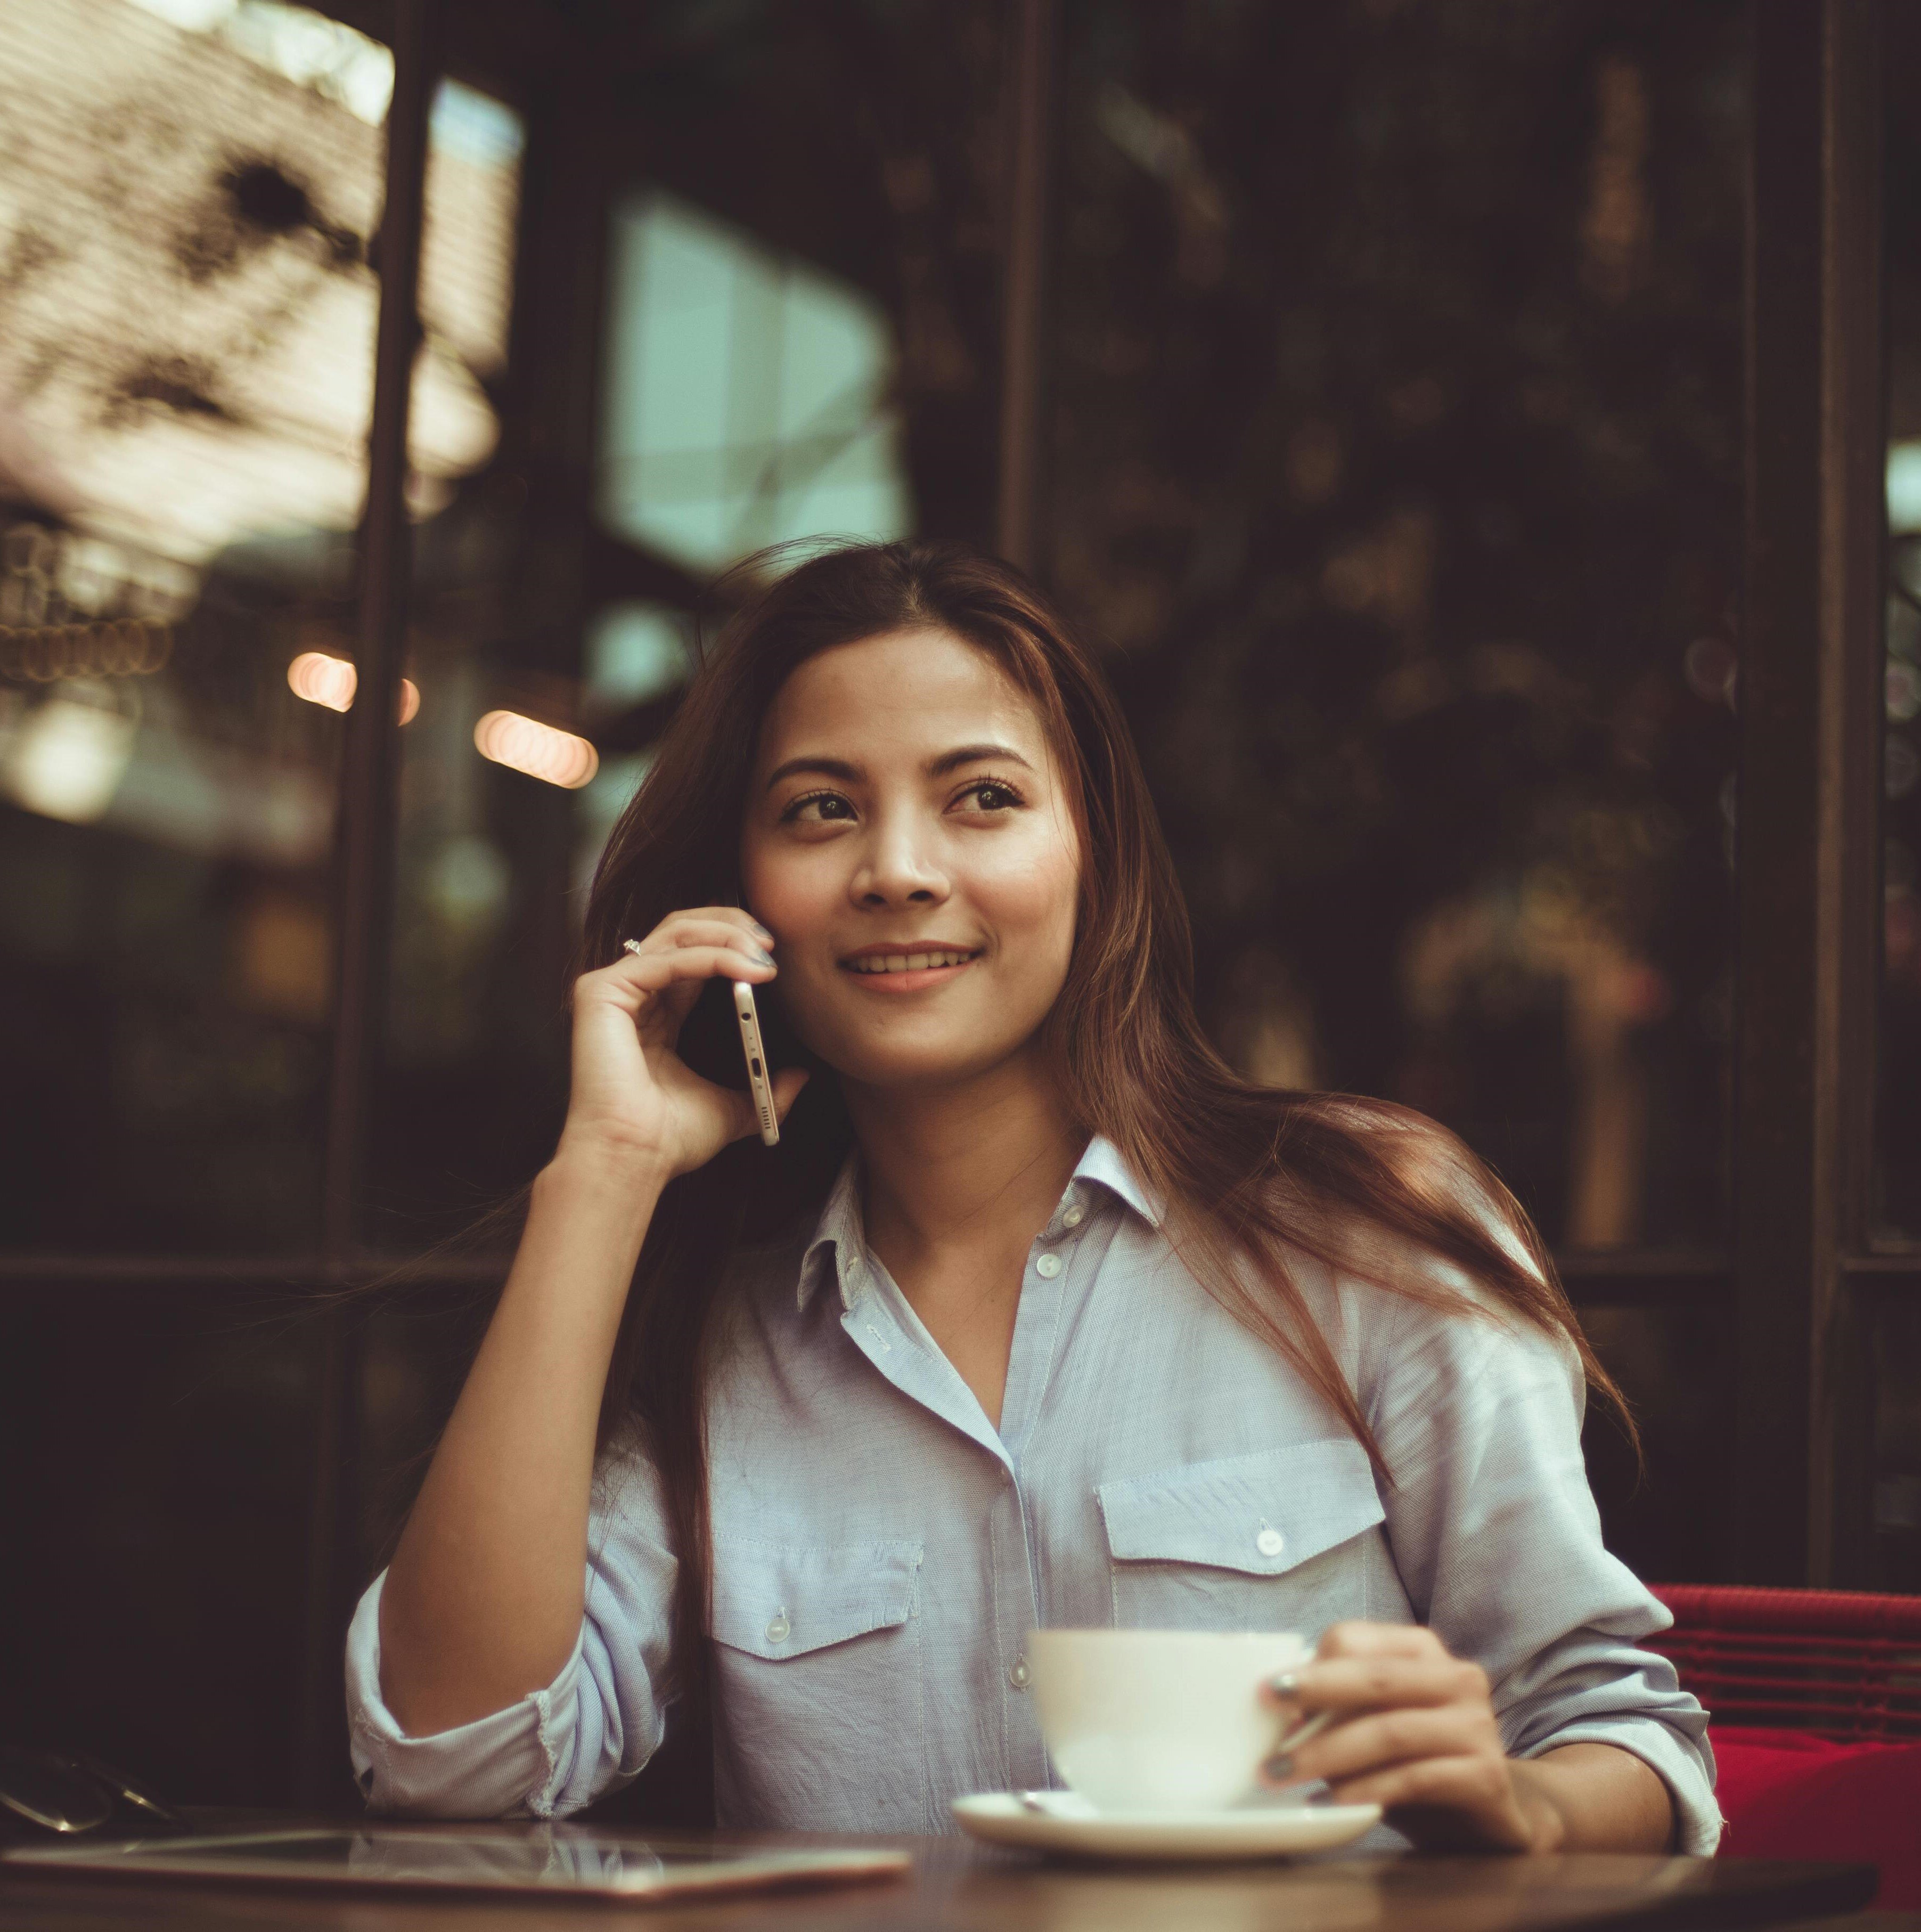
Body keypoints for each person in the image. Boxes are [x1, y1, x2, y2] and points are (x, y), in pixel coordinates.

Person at [346, 540, 1718, 1854]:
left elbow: (1619, 1732)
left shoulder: (1358, 1229)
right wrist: (602, 1175)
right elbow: (449, 1761)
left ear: (1093, 857)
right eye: (822, 808)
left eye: (982, 798)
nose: (896, 869)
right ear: (744, 896)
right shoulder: (720, 1336)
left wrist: (1521, 1808)